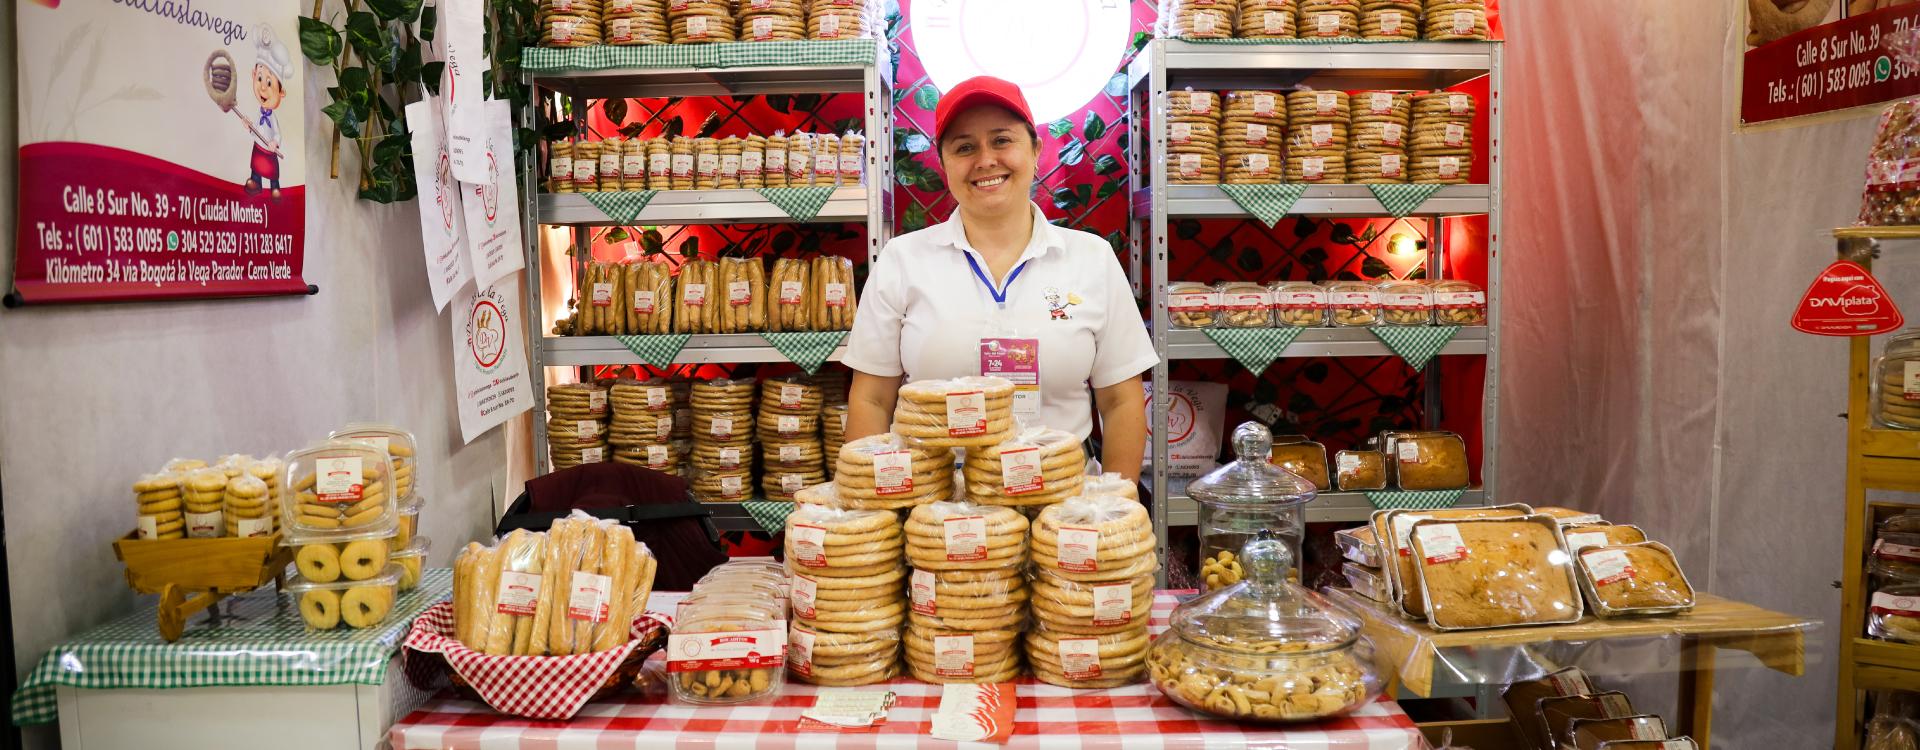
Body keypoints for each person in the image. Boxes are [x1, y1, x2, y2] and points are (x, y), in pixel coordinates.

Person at [842, 76, 1158, 480]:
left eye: (1002, 140)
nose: (985, 160)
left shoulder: (1091, 258)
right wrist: (871, 511)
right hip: (939, 501)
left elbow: (1120, 401)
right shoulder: (902, 260)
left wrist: (1115, 506)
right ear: (943, 164)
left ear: (1036, 150)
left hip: (1065, 500)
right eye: (964, 147)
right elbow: (871, 399)